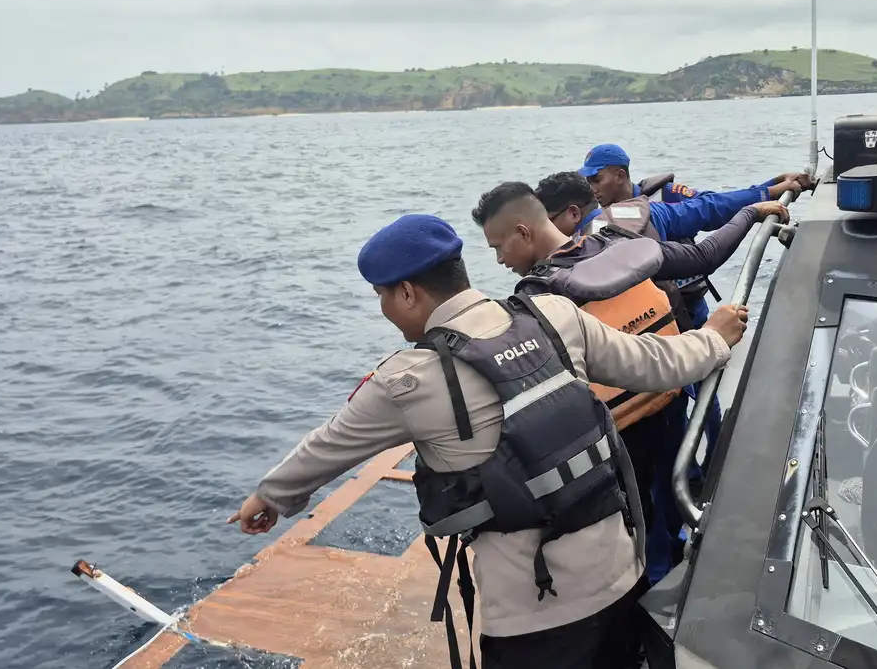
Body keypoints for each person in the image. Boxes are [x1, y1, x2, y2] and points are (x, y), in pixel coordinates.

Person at [227, 213, 751, 669]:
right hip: (622, 572)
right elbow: (658, 363)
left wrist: (271, 497)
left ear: (407, 292)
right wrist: (714, 336)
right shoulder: (553, 313)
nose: (384, 310)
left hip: (537, 615)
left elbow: (329, 445)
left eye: (382, 296)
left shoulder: (406, 380)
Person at [471, 181, 783, 584]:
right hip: (672, 407)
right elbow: (704, 255)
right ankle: (683, 574)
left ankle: (652, 612)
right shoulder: (617, 243)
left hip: (620, 444)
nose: (499, 260)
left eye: (498, 246)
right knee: (673, 507)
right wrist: (751, 214)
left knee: (642, 534)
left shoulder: (536, 299)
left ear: (523, 233)